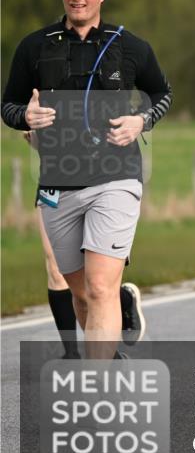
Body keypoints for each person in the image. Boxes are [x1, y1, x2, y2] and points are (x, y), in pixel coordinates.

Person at [2, 0, 171, 358]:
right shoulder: (34, 48)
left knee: (99, 287)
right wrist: (25, 115)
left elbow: (161, 93)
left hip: (116, 176)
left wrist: (141, 122)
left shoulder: (128, 47)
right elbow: (7, 107)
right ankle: (113, 336)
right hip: (58, 184)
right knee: (81, 294)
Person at [22, 132, 145, 359]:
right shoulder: (41, 97)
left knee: (96, 285)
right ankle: (74, 352)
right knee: (56, 268)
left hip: (103, 180)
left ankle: (122, 301)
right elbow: (19, 116)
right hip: (55, 182)